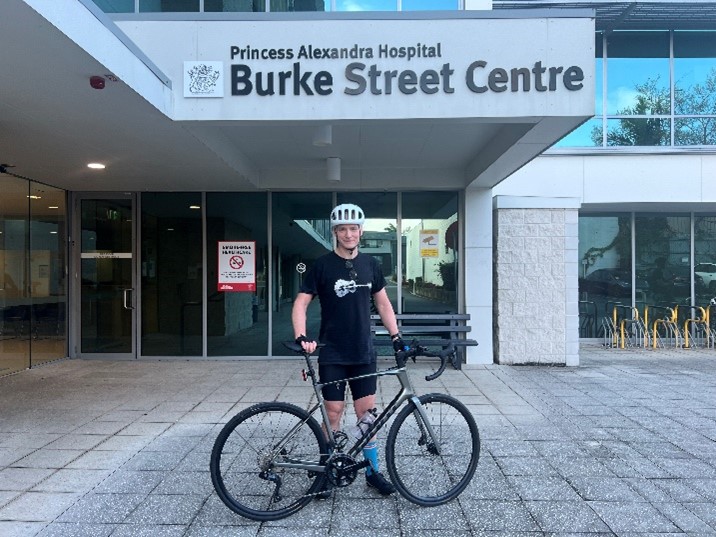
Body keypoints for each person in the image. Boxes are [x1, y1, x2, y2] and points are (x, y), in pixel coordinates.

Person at [291, 203, 405, 497]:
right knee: (333, 411)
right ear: (336, 233)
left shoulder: (371, 264)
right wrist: (301, 336)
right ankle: (327, 469)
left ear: (360, 232)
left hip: (363, 351)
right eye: (343, 229)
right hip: (332, 351)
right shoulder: (322, 265)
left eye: (353, 229)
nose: (349, 234)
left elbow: (383, 304)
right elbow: (301, 303)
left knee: (367, 414)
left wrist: (396, 337)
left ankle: (372, 472)